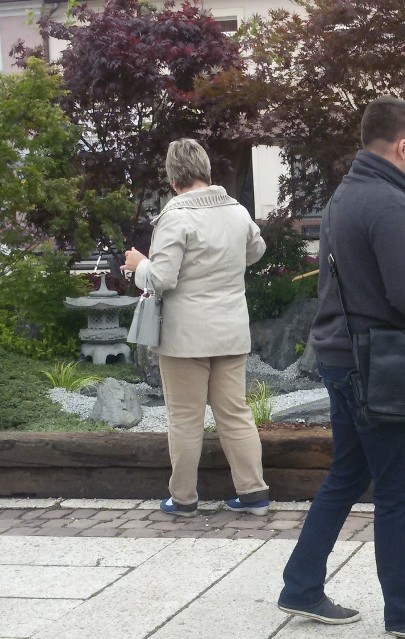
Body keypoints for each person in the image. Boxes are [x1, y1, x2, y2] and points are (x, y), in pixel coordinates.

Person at [276, 96, 405, 639]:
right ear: (402, 145)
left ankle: (301, 584)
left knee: (349, 472)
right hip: (379, 363)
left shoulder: (345, 194)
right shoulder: (388, 203)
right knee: (397, 490)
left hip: (345, 356)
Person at [121, 138, 270, 518]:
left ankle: (183, 498)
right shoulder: (237, 211)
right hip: (232, 330)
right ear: (207, 170)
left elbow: (162, 278)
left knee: (185, 418)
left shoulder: (175, 216)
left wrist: (138, 264)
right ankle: (253, 493)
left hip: (184, 337)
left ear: (173, 180)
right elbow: (257, 251)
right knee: (235, 413)